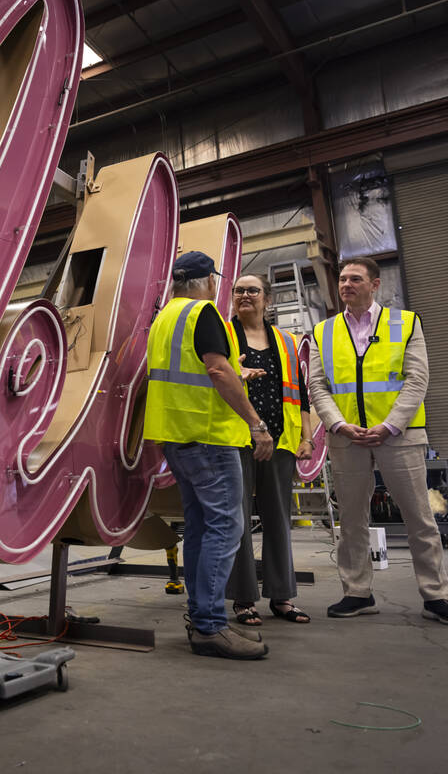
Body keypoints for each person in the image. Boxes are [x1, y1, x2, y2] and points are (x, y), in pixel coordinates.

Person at [306, 257, 448, 626]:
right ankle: (357, 593)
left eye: (355, 279)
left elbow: (417, 380)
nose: (346, 284)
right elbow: (317, 386)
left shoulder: (405, 323)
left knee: (420, 519)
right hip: (347, 439)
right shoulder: (322, 332)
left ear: (375, 284)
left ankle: (435, 597)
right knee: (351, 522)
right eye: (342, 279)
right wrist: (339, 425)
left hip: (400, 437)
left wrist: (390, 425)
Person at [144, 251, 275, 659]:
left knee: (201, 527)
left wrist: (235, 371)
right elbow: (216, 371)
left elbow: (195, 370)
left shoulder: (164, 318)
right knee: (226, 528)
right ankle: (210, 626)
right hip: (208, 436)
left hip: (177, 436)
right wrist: (256, 424)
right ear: (209, 281)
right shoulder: (204, 313)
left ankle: (202, 615)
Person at [226, 275, 315, 626]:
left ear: (267, 298)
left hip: (279, 441)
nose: (245, 295)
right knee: (238, 520)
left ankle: (282, 596)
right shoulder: (223, 335)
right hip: (236, 439)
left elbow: (302, 395)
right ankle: (243, 599)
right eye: (238, 291)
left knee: (279, 519)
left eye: (252, 290)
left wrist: (306, 438)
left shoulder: (288, 342)